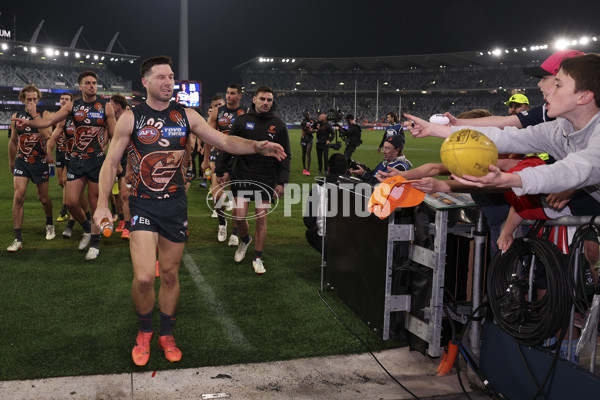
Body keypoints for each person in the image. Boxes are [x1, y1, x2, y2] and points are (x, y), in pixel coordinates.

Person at [93, 55, 286, 366]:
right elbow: (110, 162)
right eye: (162, 77)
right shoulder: (132, 117)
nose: (169, 82)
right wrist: (103, 202)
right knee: (144, 278)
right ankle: (145, 332)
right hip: (143, 205)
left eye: (171, 77)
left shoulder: (186, 115)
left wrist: (256, 146)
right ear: (145, 82)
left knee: (169, 276)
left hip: (174, 206)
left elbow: (224, 140)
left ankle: (166, 333)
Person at [407, 54, 600, 219]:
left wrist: (509, 179)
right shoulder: (560, 129)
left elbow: (573, 170)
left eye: (557, 84)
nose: (548, 90)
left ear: (584, 96)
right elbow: (508, 137)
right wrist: (435, 130)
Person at [13, 71, 117, 261]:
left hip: (96, 161)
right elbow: (50, 121)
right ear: (81, 86)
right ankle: (87, 229)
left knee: (94, 203)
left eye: (94, 83)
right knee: (70, 202)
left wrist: (112, 161)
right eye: (88, 83)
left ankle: (95, 243)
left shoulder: (106, 107)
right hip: (76, 160)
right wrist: (28, 121)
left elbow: (114, 136)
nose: (92, 86)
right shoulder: (73, 106)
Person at [215, 86, 291, 275]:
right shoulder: (241, 122)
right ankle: (245, 239)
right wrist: (220, 170)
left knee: (261, 219)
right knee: (239, 216)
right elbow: (228, 146)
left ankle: (258, 257)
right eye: (263, 99)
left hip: (266, 177)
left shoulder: (279, 125)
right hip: (242, 174)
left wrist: (282, 182)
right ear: (254, 100)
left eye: (269, 100)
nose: (266, 103)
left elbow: (286, 155)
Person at [7, 85, 55, 252]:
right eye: (29, 99)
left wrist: (34, 115)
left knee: (43, 199)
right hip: (22, 161)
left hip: (40, 162)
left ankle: (49, 222)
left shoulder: (45, 115)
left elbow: (48, 135)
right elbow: (13, 141)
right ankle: (17, 238)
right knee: (18, 196)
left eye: (35, 99)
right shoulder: (16, 116)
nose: (32, 102)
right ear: (23, 100)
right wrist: (11, 161)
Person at [206, 85, 245, 246]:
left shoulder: (245, 113)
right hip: (221, 158)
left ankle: (235, 233)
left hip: (239, 159)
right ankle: (222, 223)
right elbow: (207, 136)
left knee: (236, 200)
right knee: (216, 196)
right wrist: (205, 159)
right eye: (228, 93)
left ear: (239, 96)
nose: (229, 96)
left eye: (233, 93)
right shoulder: (218, 112)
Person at [304, 153, 348, 253]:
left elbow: (309, 221)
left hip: (328, 239)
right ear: (346, 170)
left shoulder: (319, 187)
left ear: (328, 169)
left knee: (310, 233)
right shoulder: (359, 187)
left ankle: (329, 258)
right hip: (354, 239)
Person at [109, 94, 132, 239]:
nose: (108, 106)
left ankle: (129, 226)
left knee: (125, 195)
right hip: (116, 161)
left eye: (111, 104)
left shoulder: (129, 119)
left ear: (117, 106)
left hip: (129, 161)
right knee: (117, 195)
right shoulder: (112, 121)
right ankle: (123, 221)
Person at [54, 92, 75, 222]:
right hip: (59, 152)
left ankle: (64, 210)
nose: (63, 100)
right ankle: (71, 199)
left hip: (70, 154)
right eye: (62, 98)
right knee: (60, 181)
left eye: (66, 99)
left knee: (66, 181)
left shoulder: (73, 117)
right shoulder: (56, 117)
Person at [300, 110, 315, 176]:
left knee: (308, 152)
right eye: (306, 114)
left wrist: (314, 130)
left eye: (308, 113)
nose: (307, 115)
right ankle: (304, 168)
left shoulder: (312, 120)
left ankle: (308, 170)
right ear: (304, 115)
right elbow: (304, 131)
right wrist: (301, 139)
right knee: (304, 153)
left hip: (310, 139)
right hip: (304, 139)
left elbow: (316, 126)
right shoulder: (303, 122)